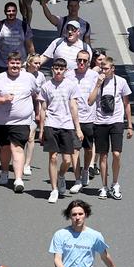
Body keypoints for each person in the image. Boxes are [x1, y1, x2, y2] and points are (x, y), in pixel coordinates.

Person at [0, 51, 41, 192]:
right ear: (8, 63)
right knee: (5, 147)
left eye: (17, 63)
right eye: (12, 63)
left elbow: (36, 94)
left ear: (21, 64)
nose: (15, 66)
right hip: (2, 121)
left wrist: (39, 112)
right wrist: (2, 99)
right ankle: (5, 171)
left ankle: (18, 179)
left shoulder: (29, 78)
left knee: (17, 148)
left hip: (22, 121)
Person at [86, 52, 134, 199]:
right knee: (103, 156)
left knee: (116, 154)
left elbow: (126, 104)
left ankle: (115, 183)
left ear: (113, 68)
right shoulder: (96, 81)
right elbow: (90, 101)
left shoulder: (121, 82)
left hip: (116, 122)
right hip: (100, 122)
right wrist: (97, 85)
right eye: (102, 68)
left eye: (106, 68)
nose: (103, 71)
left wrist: (130, 125)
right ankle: (104, 186)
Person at [37, 57, 83, 203]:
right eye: (56, 68)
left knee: (67, 160)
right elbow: (43, 109)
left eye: (61, 69)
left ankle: (61, 175)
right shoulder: (46, 86)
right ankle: (54, 189)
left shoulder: (71, 85)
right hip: (51, 124)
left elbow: (74, 107)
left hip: (67, 125)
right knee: (53, 157)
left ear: (65, 70)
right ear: (52, 69)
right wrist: (41, 130)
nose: (58, 71)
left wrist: (78, 128)